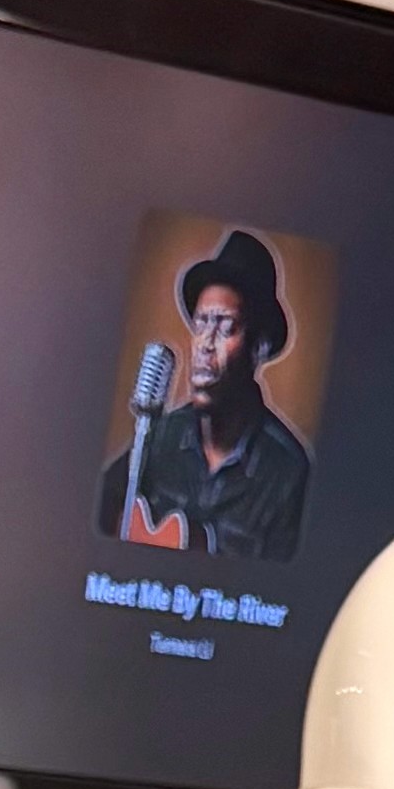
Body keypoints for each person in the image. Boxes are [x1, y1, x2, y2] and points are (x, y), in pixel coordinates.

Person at [95, 226, 314, 561]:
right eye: (200, 324)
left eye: (225, 327)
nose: (205, 345)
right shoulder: (159, 436)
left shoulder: (288, 474)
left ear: (259, 346)